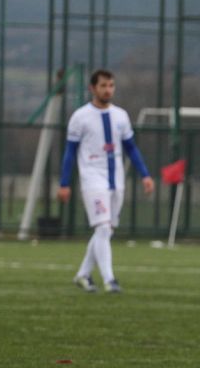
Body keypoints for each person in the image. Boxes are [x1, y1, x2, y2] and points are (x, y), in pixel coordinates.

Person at [57, 69, 155, 293]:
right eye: (103, 86)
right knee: (102, 226)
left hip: (116, 180)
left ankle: (83, 275)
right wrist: (64, 183)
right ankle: (110, 280)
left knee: (106, 230)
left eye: (111, 85)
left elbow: (131, 148)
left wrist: (145, 175)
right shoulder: (80, 117)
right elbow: (70, 152)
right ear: (92, 88)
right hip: (92, 179)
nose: (108, 90)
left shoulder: (121, 116)